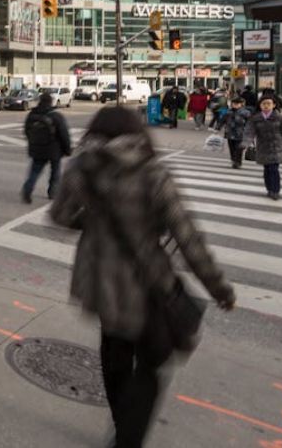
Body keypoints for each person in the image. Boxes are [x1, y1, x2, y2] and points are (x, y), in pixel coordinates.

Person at [50, 105, 235, 448]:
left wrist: (92, 224)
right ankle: (128, 439)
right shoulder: (152, 173)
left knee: (114, 354)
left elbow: (60, 215)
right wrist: (219, 287)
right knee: (151, 364)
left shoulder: (82, 167)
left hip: (102, 282)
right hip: (146, 283)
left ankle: (123, 427)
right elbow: (187, 237)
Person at [21, 92, 73, 203]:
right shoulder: (56, 116)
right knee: (55, 172)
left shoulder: (32, 115)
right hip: (54, 150)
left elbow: (26, 131)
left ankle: (27, 189)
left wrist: (34, 142)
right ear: (50, 102)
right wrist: (68, 149)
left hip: (37, 149)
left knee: (35, 171)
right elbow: (64, 134)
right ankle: (52, 192)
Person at [242, 97, 282, 200]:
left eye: (268, 104)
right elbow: (249, 132)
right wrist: (245, 143)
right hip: (263, 147)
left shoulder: (280, 118)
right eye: (263, 104)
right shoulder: (255, 118)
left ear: (274, 105)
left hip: (277, 147)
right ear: (260, 105)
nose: (266, 106)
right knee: (267, 169)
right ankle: (269, 189)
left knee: (274, 169)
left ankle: (275, 191)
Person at [215, 96, 251, 169]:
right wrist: (218, 128)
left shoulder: (246, 113)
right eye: (234, 103)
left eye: (237, 104)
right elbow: (222, 120)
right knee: (232, 148)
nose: (235, 105)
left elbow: (250, 122)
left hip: (240, 133)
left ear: (241, 104)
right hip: (230, 133)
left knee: (239, 148)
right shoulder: (228, 112)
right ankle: (233, 160)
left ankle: (237, 162)